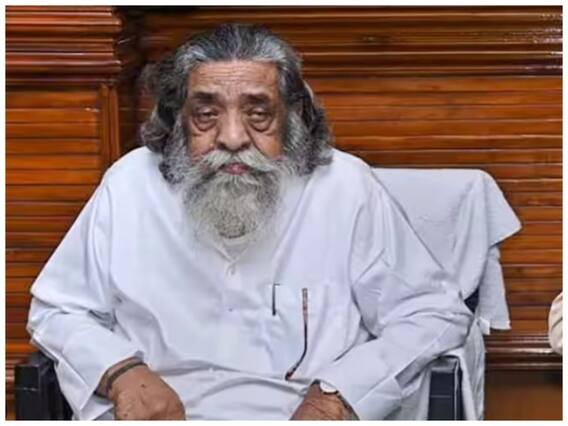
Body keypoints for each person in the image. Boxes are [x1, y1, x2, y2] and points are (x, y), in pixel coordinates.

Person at [27, 23, 473, 420]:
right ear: (177, 118)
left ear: (292, 117)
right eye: (206, 114)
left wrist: (338, 396)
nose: (233, 138)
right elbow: (59, 310)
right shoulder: (129, 184)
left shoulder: (345, 186)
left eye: (258, 113)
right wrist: (121, 372)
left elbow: (431, 313)